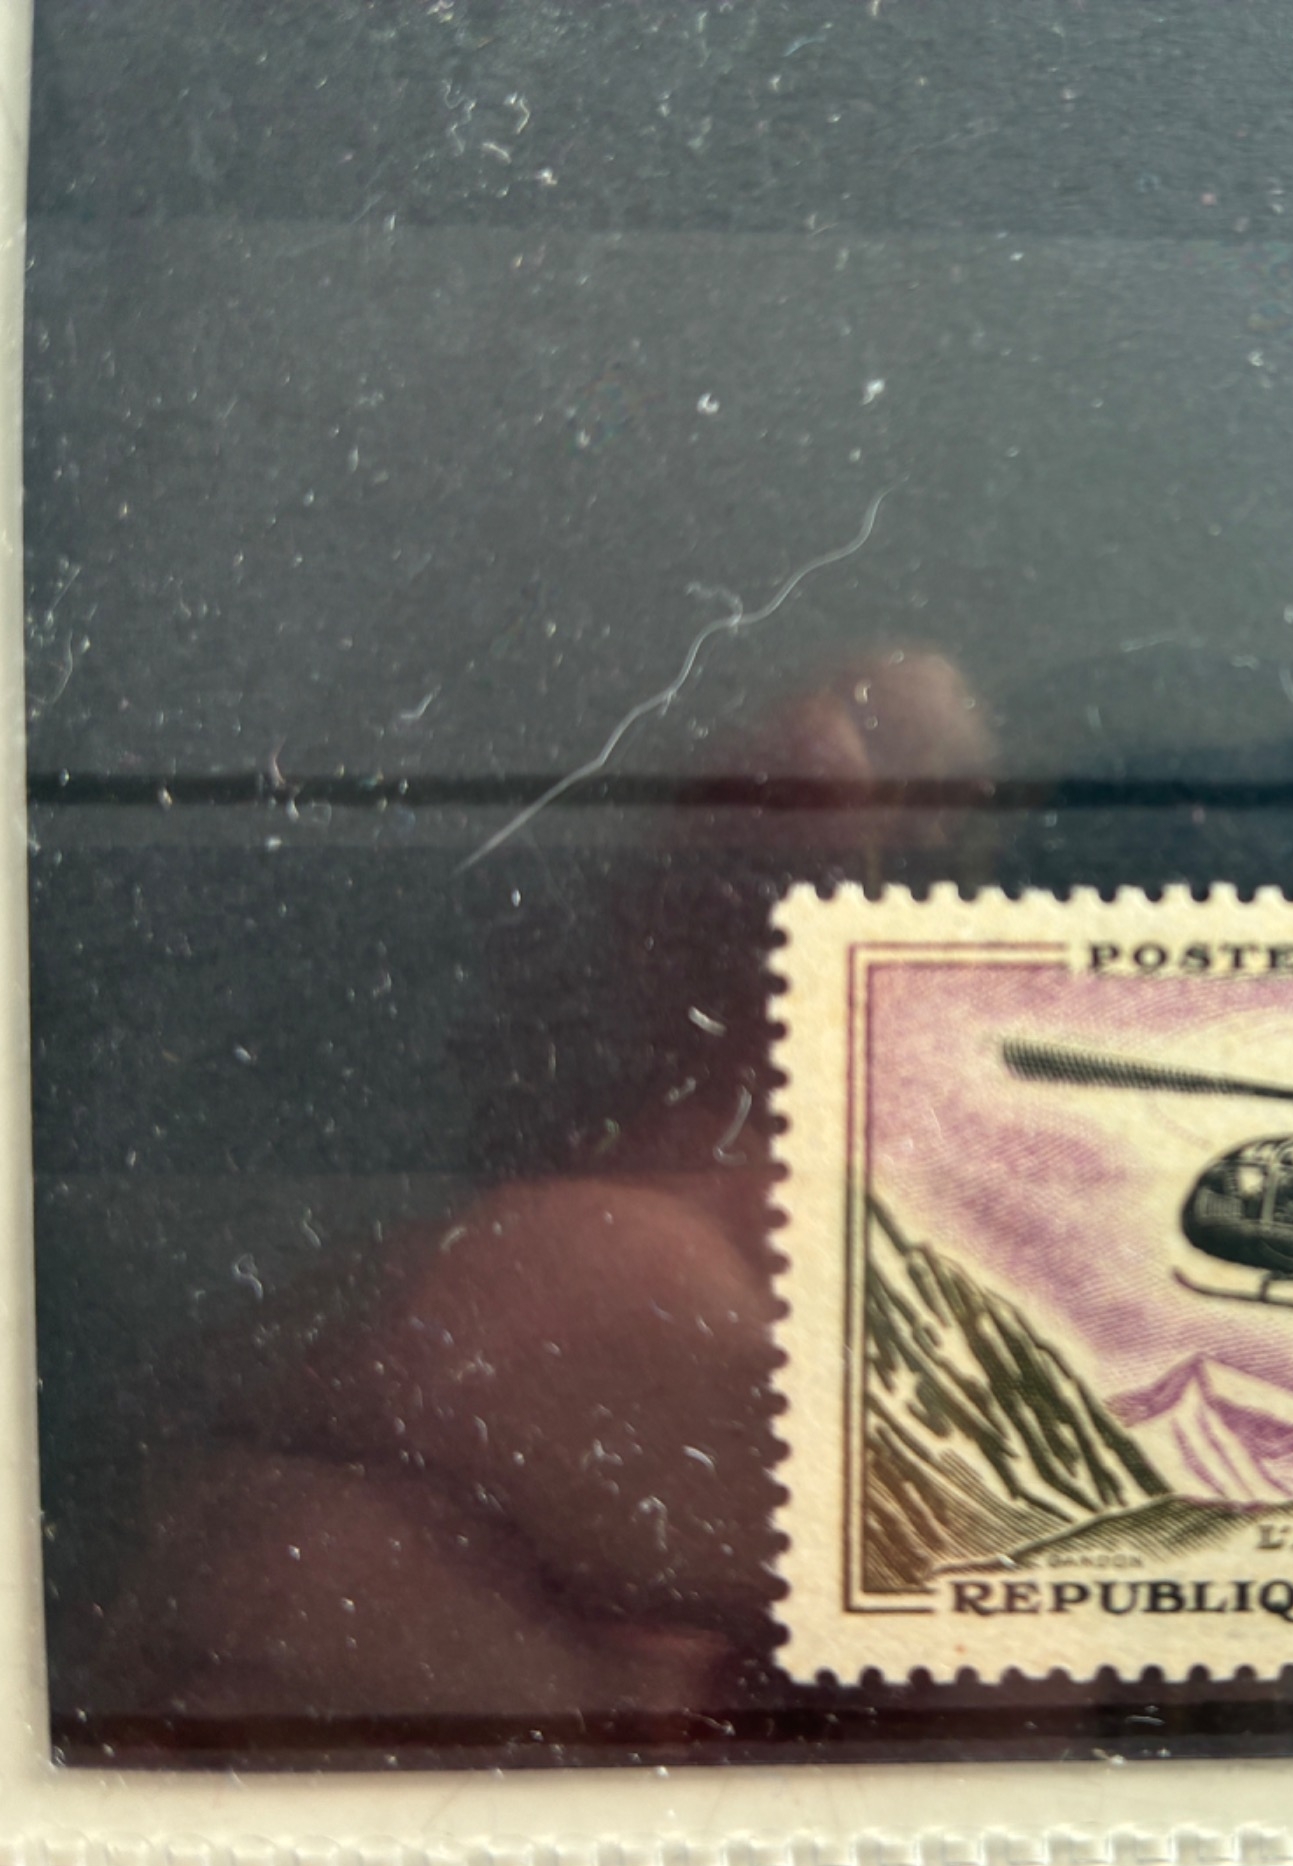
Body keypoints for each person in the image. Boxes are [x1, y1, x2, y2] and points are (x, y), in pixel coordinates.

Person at [85, 652, 994, 1725]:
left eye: (918, 824)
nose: (849, 840)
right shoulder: (601, 1261)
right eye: (774, 820)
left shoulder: (922, 1286)